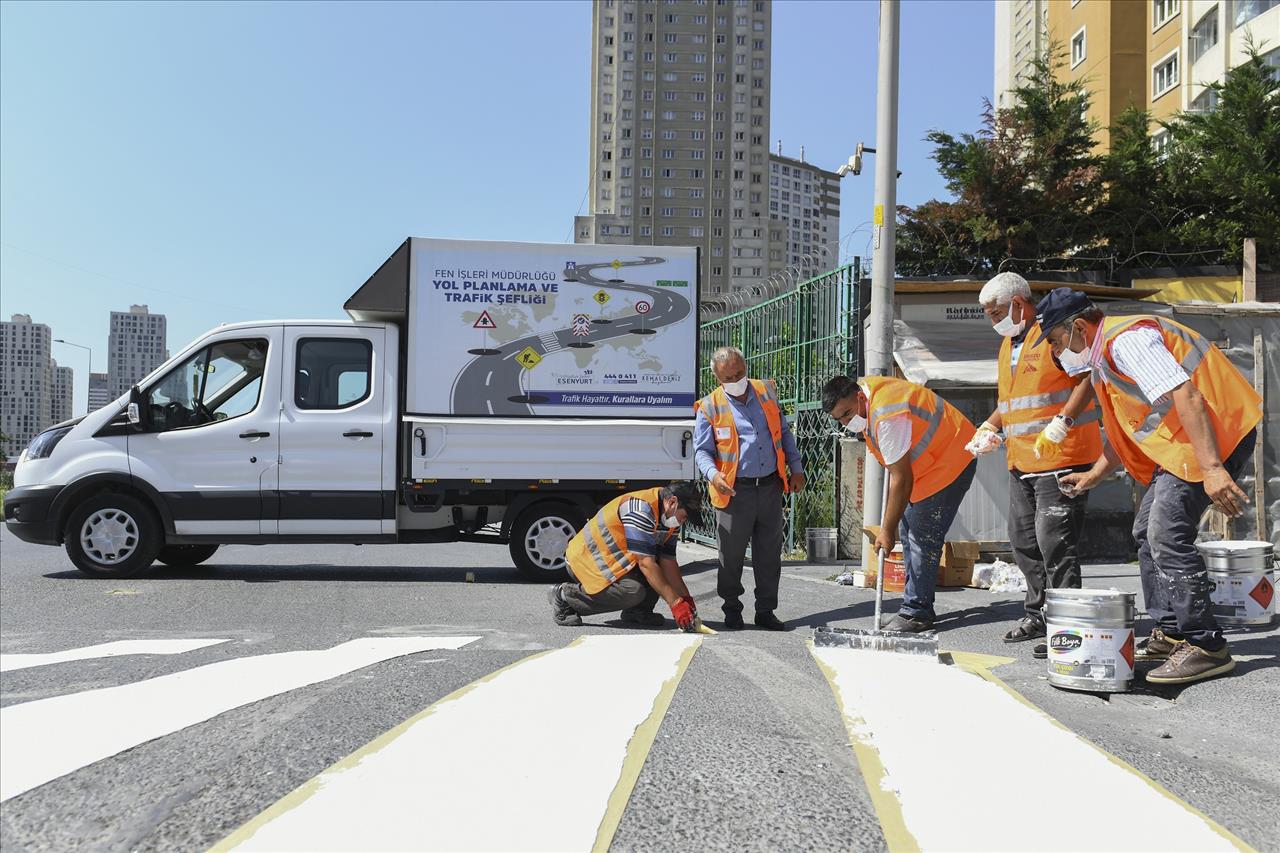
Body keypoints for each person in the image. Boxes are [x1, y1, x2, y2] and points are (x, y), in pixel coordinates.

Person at [1041, 288, 1262, 685]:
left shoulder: (1127, 341)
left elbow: (1186, 394)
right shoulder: (1104, 362)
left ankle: (1206, 644)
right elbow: (1130, 431)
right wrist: (1094, 475)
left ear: (1077, 327)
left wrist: (1212, 468)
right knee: (1146, 532)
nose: (1057, 353)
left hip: (1215, 432)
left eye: (1056, 342)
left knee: (1166, 534)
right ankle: (1172, 632)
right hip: (1187, 440)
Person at [971, 273, 1102, 653]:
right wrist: (990, 426)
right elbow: (1015, 402)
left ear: (1020, 303)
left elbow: (1086, 379)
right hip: (1022, 460)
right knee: (1025, 542)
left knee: (1055, 543)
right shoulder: (1008, 344)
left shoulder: (1053, 336)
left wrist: (1064, 421)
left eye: (996, 312)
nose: (992, 320)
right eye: (987, 314)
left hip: (1062, 457)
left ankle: (1066, 626)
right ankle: (1038, 614)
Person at [822, 375, 977, 633]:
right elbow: (896, 472)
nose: (847, 423)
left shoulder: (886, 415)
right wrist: (891, 525)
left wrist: (886, 528)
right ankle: (915, 606)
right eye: (840, 419)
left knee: (919, 535)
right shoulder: (867, 396)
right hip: (929, 464)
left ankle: (916, 613)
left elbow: (901, 478)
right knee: (909, 531)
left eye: (848, 414)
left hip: (951, 459)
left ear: (859, 396)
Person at [693, 346, 805, 630]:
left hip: (770, 487)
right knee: (730, 557)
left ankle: (765, 611)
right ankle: (732, 608)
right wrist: (714, 475)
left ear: (746, 366)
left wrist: (797, 468)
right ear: (717, 378)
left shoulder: (765, 392)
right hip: (733, 492)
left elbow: (784, 434)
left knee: (769, 555)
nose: (736, 379)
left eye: (739, 373)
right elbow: (702, 451)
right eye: (728, 377)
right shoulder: (709, 407)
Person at [548, 482, 705, 630]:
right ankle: (565, 596)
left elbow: (668, 562)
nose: (683, 521)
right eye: (684, 516)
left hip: (613, 563)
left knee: (656, 566)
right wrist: (676, 604)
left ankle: (637, 611)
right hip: (585, 561)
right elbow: (645, 563)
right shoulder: (641, 509)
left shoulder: (669, 518)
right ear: (672, 502)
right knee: (632, 591)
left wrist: (687, 601)